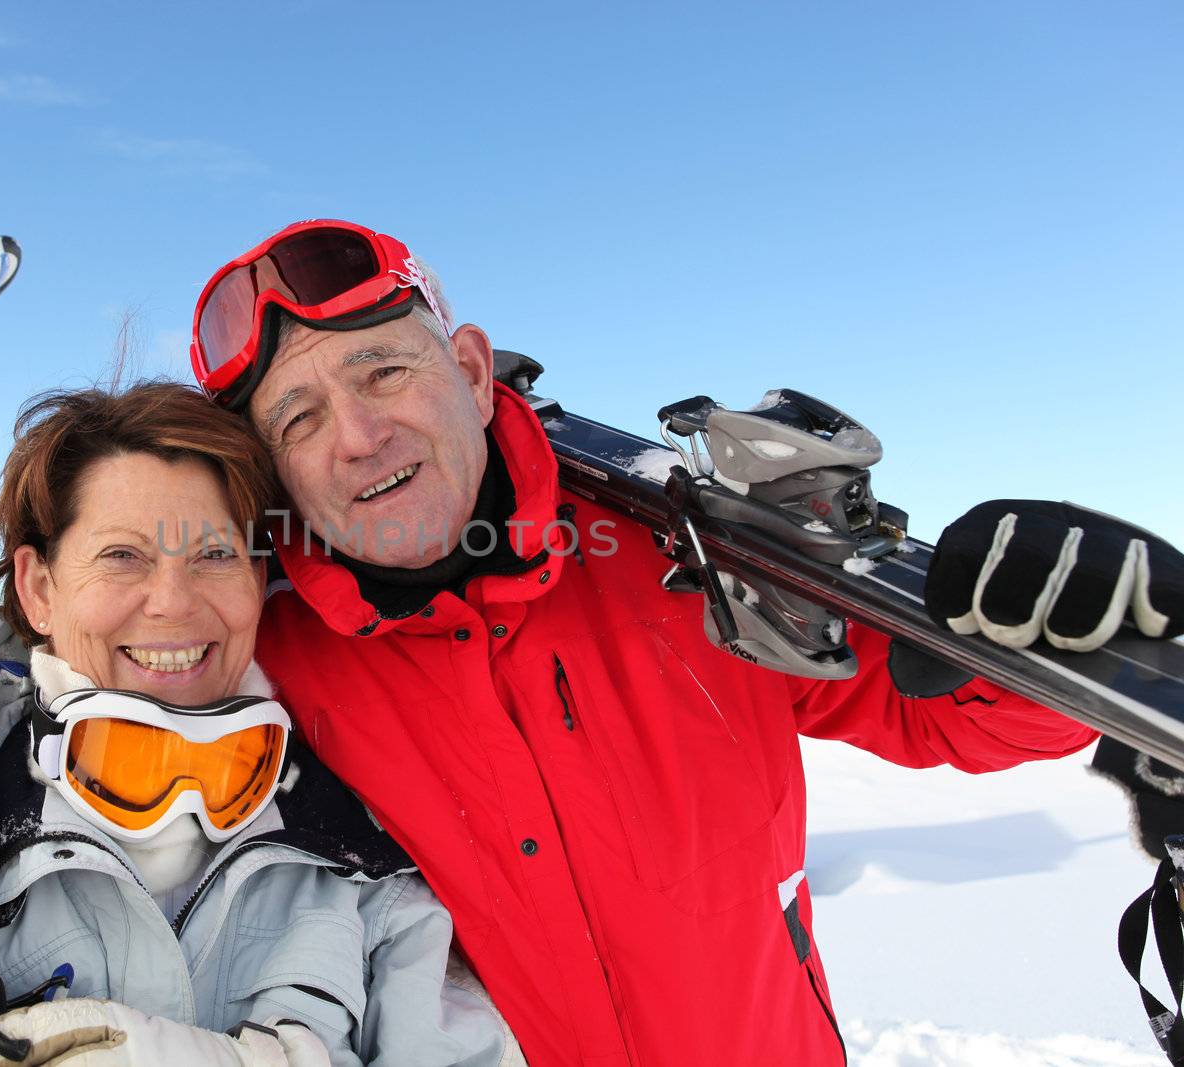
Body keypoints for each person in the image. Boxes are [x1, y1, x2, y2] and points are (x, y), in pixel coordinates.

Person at [187, 219, 1181, 1065]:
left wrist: (1071, 635)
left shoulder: (682, 557)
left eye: (384, 370)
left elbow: (943, 714)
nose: (357, 435)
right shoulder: (265, 656)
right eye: (299, 416)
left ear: (471, 370)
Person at [0, 381, 522, 1067]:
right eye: (123, 556)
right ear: (37, 589)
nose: (173, 600)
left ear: (257, 579)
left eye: (215, 554)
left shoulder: (366, 875)